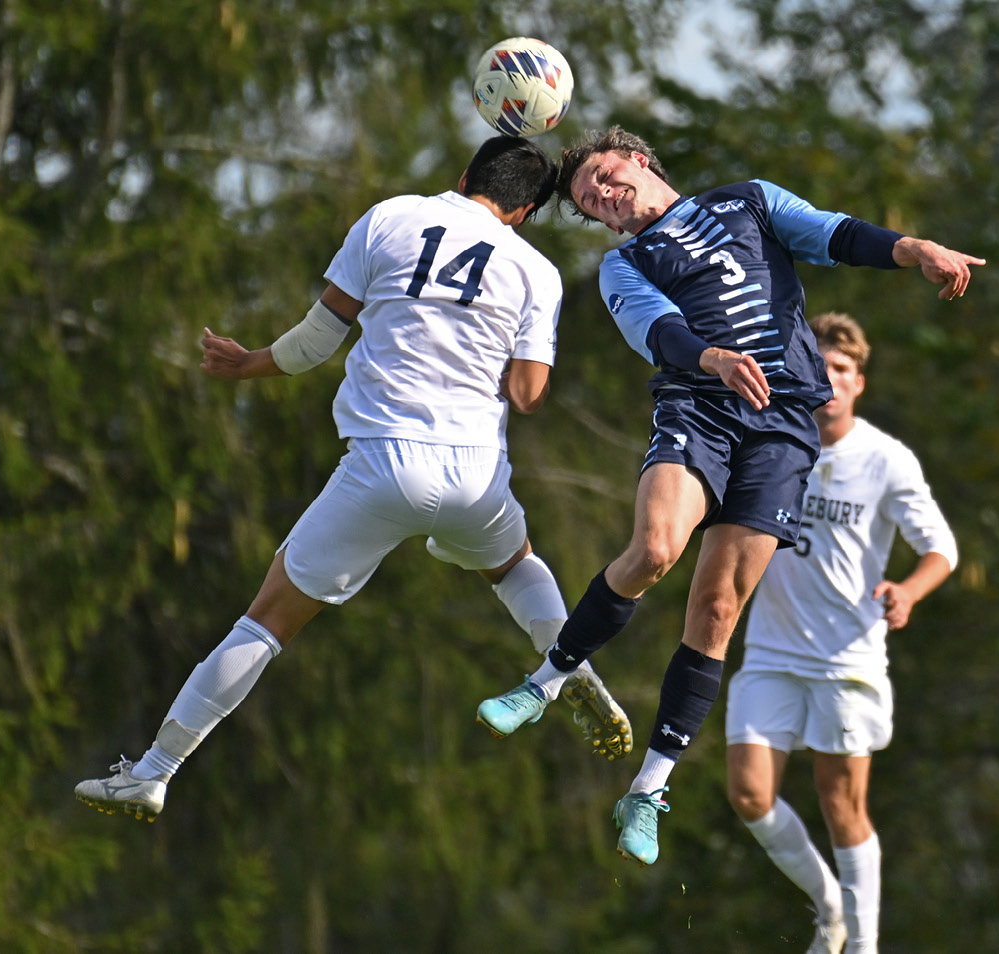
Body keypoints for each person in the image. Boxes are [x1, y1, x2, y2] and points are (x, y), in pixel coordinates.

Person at [74, 136, 632, 822]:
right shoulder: (535, 271)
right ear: (522, 213)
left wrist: (247, 363)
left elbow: (315, 340)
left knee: (268, 619)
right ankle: (571, 662)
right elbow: (527, 393)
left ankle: (154, 771)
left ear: (463, 176)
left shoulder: (390, 217)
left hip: (383, 463)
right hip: (475, 474)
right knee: (513, 564)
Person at [474, 126, 983, 868]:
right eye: (590, 202)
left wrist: (916, 250)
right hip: (698, 408)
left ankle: (646, 790)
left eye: (608, 179)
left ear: (639, 162)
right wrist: (711, 358)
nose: (604, 199)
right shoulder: (626, 266)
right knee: (654, 550)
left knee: (715, 611)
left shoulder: (749, 202)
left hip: (782, 429)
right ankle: (544, 683)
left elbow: (836, 234)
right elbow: (664, 333)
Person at [724, 312, 956, 954]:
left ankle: (864, 945)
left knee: (839, 803)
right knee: (748, 792)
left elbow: (941, 549)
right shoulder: (768, 442)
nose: (830, 379)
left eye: (843, 370)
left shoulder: (886, 460)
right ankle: (829, 905)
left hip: (847, 659)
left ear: (858, 383)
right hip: (770, 652)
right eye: (819, 366)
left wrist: (908, 590)